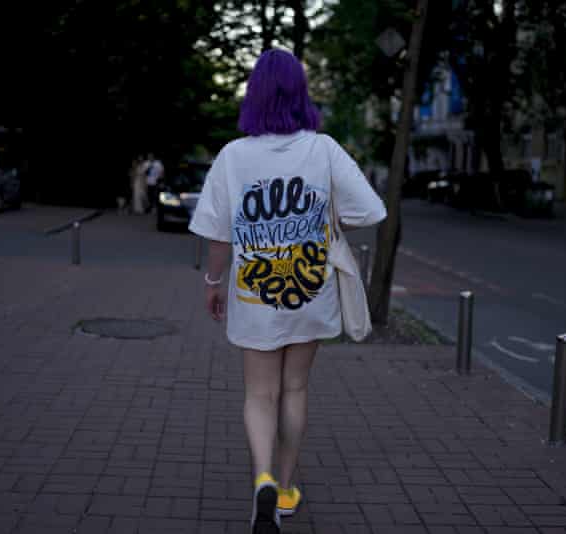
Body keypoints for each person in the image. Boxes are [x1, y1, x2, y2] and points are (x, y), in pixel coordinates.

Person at [189, 49, 386, 534]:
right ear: (300, 92)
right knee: (295, 389)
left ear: (254, 94)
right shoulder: (323, 150)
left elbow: (218, 234)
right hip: (309, 292)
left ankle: (261, 479)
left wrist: (214, 284)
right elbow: (372, 211)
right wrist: (326, 216)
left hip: (255, 299)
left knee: (260, 394)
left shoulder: (235, 156)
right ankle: (287, 487)